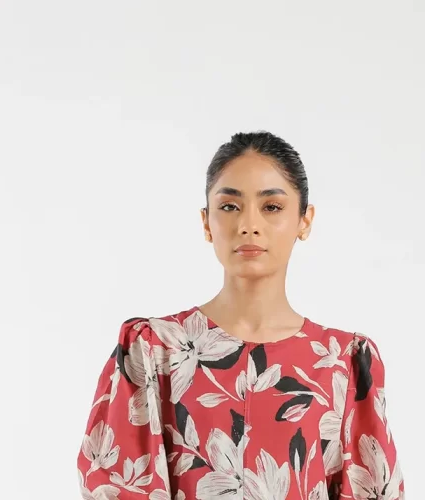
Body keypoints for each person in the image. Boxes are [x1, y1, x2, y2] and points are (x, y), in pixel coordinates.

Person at [76, 131, 404, 499]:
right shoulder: (153, 351)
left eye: (272, 207)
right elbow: (117, 484)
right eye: (230, 206)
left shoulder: (342, 362)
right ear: (206, 222)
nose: (249, 224)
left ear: (304, 220)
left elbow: (372, 489)